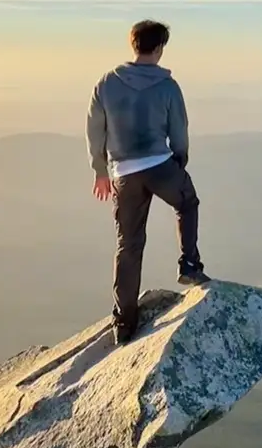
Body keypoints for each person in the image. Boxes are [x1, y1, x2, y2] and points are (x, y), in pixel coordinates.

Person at [86, 19, 210, 346]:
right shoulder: (168, 87)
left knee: (129, 244)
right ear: (159, 48)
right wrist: (179, 161)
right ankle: (190, 264)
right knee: (187, 202)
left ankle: (124, 323)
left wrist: (100, 170)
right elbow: (179, 131)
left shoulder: (107, 84)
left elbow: (95, 129)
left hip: (123, 173)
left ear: (133, 44)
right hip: (160, 164)